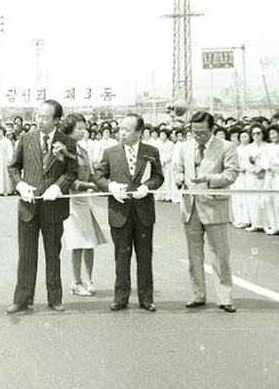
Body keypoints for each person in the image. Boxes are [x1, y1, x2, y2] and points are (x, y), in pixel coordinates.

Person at [7, 100, 79, 313]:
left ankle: (55, 297)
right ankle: (22, 299)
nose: (39, 120)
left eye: (45, 117)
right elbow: (13, 167)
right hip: (28, 206)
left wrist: (58, 187)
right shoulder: (26, 138)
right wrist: (20, 185)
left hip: (53, 205)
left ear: (57, 120)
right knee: (26, 254)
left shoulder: (67, 141)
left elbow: (72, 170)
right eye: (38, 115)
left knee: (52, 253)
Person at [93, 113, 164, 311]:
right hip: (120, 212)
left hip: (143, 212)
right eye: (120, 128)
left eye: (126, 129)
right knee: (121, 257)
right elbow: (98, 176)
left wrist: (147, 187)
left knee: (144, 257)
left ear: (139, 133)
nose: (121, 132)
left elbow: (159, 177)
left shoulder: (151, 151)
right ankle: (121, 297)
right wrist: (110, 187)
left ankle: (146, 298)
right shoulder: (110, 152)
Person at [174, 112, 239, 313]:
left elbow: (231, 174)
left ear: (212, 129)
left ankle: (225, 297)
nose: (198, 136)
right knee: (194, 255)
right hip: (190, 206)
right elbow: (178, 168)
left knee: (220, 254)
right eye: (194, 132)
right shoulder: (184, 147)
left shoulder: (226, 147)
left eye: (202, 132)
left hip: (214, 206)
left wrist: (208, 179)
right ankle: (197, 294)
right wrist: (178, 178)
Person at [62, 114, 107, 297]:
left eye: (84, 127)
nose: (83, 131)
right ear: (70, 130)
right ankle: (76, 281)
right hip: (72, 200)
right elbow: (68, 179)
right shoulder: (64, 150)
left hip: (85, 199)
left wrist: (103, 182)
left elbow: (91, 174)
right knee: (77, 242)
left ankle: (88, 279)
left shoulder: (83, 149)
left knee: (89, 241)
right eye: (79, 128)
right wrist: (91, 185)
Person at [0, 127, 13, 195]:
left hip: (5, 160)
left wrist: (10, 159)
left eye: (1, 132)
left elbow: (10, 150)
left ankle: (6, 190)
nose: (0, 133)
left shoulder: (7, 141)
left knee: (6, 174)